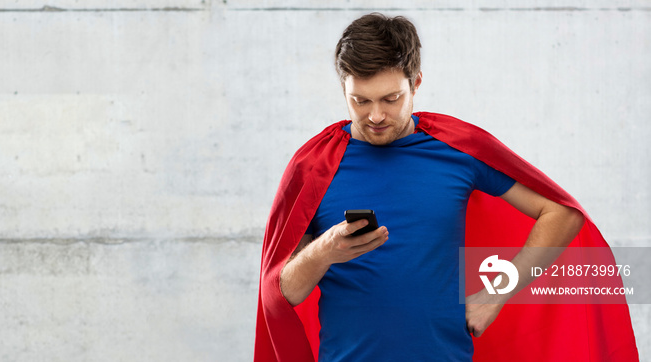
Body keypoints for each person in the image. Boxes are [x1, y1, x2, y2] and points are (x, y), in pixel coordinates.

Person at [255, 13, 638, 362]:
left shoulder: (458, 148)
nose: (375, 116)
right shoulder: (312, 167)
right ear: (343, 88)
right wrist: (323, 252)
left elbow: (561, 213)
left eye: (391, 99)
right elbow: (280, 294)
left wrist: (497, 292)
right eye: (360, 101)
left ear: (416, 82)